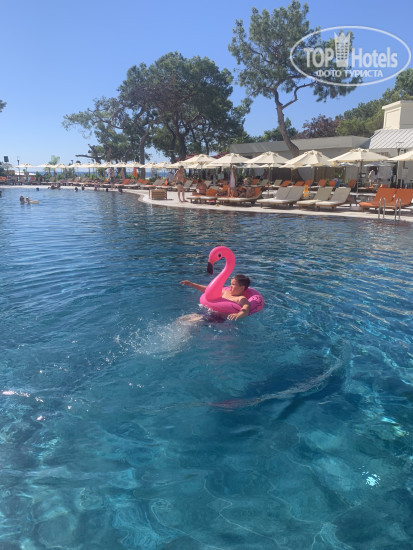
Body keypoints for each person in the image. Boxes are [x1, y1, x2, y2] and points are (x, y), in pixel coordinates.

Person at [180, 274, 251, 321]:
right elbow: (208, 290)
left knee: (191, 323)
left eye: (233, 284)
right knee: (181, 319)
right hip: (207, 313)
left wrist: (238, 314)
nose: (230, 286)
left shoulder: (240, 298)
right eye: (230, 284)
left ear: (242, 288)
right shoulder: (225, 292)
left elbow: (246, 308)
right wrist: (192, 284)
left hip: (218, 319)